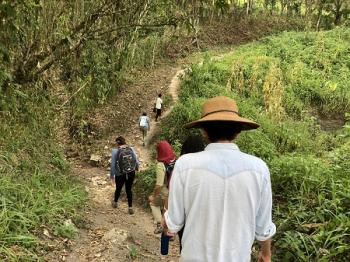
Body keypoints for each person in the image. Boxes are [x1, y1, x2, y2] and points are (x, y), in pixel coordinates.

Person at [163, 96, 276, 261]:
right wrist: (266, 253)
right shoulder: (259, 169)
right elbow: (263, 228)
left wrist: (165, 220)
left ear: (204, 131)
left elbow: (173, 223)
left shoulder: (185, 165)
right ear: (238, 131)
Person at [178, 135, 205, 253]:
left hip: (185, 217)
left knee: (185, 247)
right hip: (204, 217)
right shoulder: (208, 167)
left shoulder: (182, 166)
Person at [149, 140, 176, 234]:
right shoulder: (175, 159)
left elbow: (159, 185)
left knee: (153, 204)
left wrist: (153, 196)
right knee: (167, 210)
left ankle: (160, 225)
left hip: (166, 191)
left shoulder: (161, 164)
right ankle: (170, 232)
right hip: (176, 191)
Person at [110, 136, 139, 215]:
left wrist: (112, 176)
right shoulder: (131, 148)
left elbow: (112, 165)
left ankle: (115, 203)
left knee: (118, 188)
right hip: (131, 172)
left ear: (117, 143)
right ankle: (130, 207)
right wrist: (136, 169)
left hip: (120, 174)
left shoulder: (115, 151)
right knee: (129, 189)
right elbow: (136, 160)